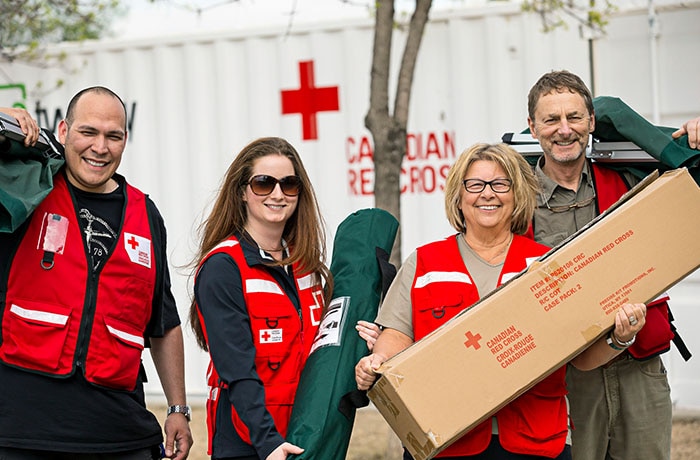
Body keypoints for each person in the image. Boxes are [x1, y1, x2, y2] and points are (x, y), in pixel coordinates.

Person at [355, 142, 646, 460]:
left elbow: (581, 356)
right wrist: (378, 359)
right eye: (475, 184)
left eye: (500, 184)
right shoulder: (425, 263)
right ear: (459, 196)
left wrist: (621, 337)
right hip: (444, 439)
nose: (488, 194)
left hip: (534, 441)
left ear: (517, 194)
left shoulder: (545, 266)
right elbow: (398, 334)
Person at [0, 89, 193, 460]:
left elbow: (163, 321)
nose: (100, 147)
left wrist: (178, 408)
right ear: (63, 131)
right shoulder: (27, 190)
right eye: (88, 132)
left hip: (117, 432)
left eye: (113, 136)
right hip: (20, 431)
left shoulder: (146, 215)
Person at [526, 70, 698, 460]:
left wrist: (694, 133)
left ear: (591, 122)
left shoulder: (631, 175)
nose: (564, 130)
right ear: (532, 126)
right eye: (551, 119)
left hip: (638, 364)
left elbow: (692, 181)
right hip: (565, 378)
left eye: (574, 117)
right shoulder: (515, 201)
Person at [189, 137, 378, 460]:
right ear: (242, 192)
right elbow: (237, 370)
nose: (278, 194)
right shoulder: (224, 267)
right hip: (251, 444)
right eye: (264, 184)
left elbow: (323, 351)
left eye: (289, 184)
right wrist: (268, 443)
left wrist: (362, 344)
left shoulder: (306, 265)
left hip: (308, 430)